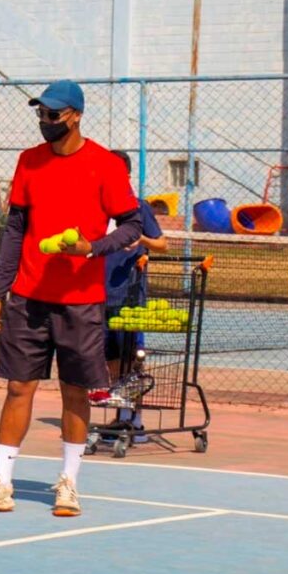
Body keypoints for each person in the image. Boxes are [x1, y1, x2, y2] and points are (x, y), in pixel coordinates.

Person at [0, 80, 142, 518]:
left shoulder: (104, 165)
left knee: (75, 392)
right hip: (27, 297)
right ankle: (0, 482)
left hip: (81, 300)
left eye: (53, 115)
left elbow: (134, 226)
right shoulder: (29, 162)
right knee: (18, 386)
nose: (45, 122)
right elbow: (16, 231)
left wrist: (92, 248)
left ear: (75, 115)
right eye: (40, 114)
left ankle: (68, 483)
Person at [91, 150, 168, 442]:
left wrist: (142, 240)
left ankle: (136, 422)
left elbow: (162, 244)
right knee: (109, 357)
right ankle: (121, 414)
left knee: (132, 357)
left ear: (125, 175)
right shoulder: (96, 206)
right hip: (99, 294)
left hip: (129, 296)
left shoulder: (138, 207)